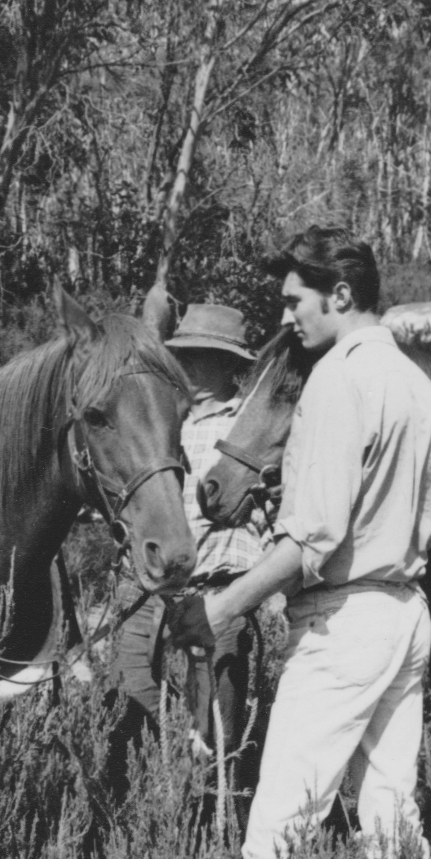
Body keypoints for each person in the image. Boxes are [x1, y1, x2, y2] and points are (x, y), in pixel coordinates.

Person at [169, 226, 431, 859]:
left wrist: (220, 605)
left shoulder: (336, 380)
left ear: (342, 294)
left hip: (342, 624)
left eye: (296, 301)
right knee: (390, 823)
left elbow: (313, 535)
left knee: (274, 837)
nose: (286, 318)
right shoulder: (421, 389)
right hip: (405, 615)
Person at [109, 304, 264, 778]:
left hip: (217, 592)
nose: (189, 367)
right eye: (185, 355)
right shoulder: (163, 420)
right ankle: (136, 814)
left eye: (202, 356)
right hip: (148, 593)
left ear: (230, 365)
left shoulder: (252, 428)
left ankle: (212, 825)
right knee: (127, 709)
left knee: (216, 729)